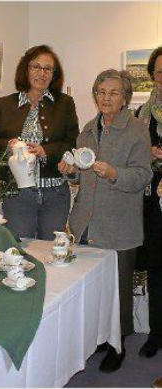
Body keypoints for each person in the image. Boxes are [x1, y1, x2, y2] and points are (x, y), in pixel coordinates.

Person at [58, 69, 152, 372]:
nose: (106, 98)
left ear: (124, 98)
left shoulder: (137, 129)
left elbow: (143, 175)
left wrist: (114, 174)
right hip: (85, 222)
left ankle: (119, 344)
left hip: (119, 223)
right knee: (91, 288)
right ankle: (98, 338)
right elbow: (82, 174)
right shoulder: (87, 128)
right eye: (101, 91)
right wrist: (71, 172)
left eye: (113, 93)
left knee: (119, 289)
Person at [0, 45, 79, 240]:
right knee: (20, 251)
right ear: (25, 69)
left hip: (54, 193)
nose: (42, 73)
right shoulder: (4, 105)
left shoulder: (65, 104)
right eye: (36, 67)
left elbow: (72, 143)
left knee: (52, 251)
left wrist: (45, 150)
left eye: (48, 69)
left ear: (54, 74)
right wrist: (9, 146)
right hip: (17, 194)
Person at [135, 46, 162, 359]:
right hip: (153, 195)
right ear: (152, 76)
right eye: (159, 72)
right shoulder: (142, 113)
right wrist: (149, 153)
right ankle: (157, 333)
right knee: (156, 266)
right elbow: (135, 152)